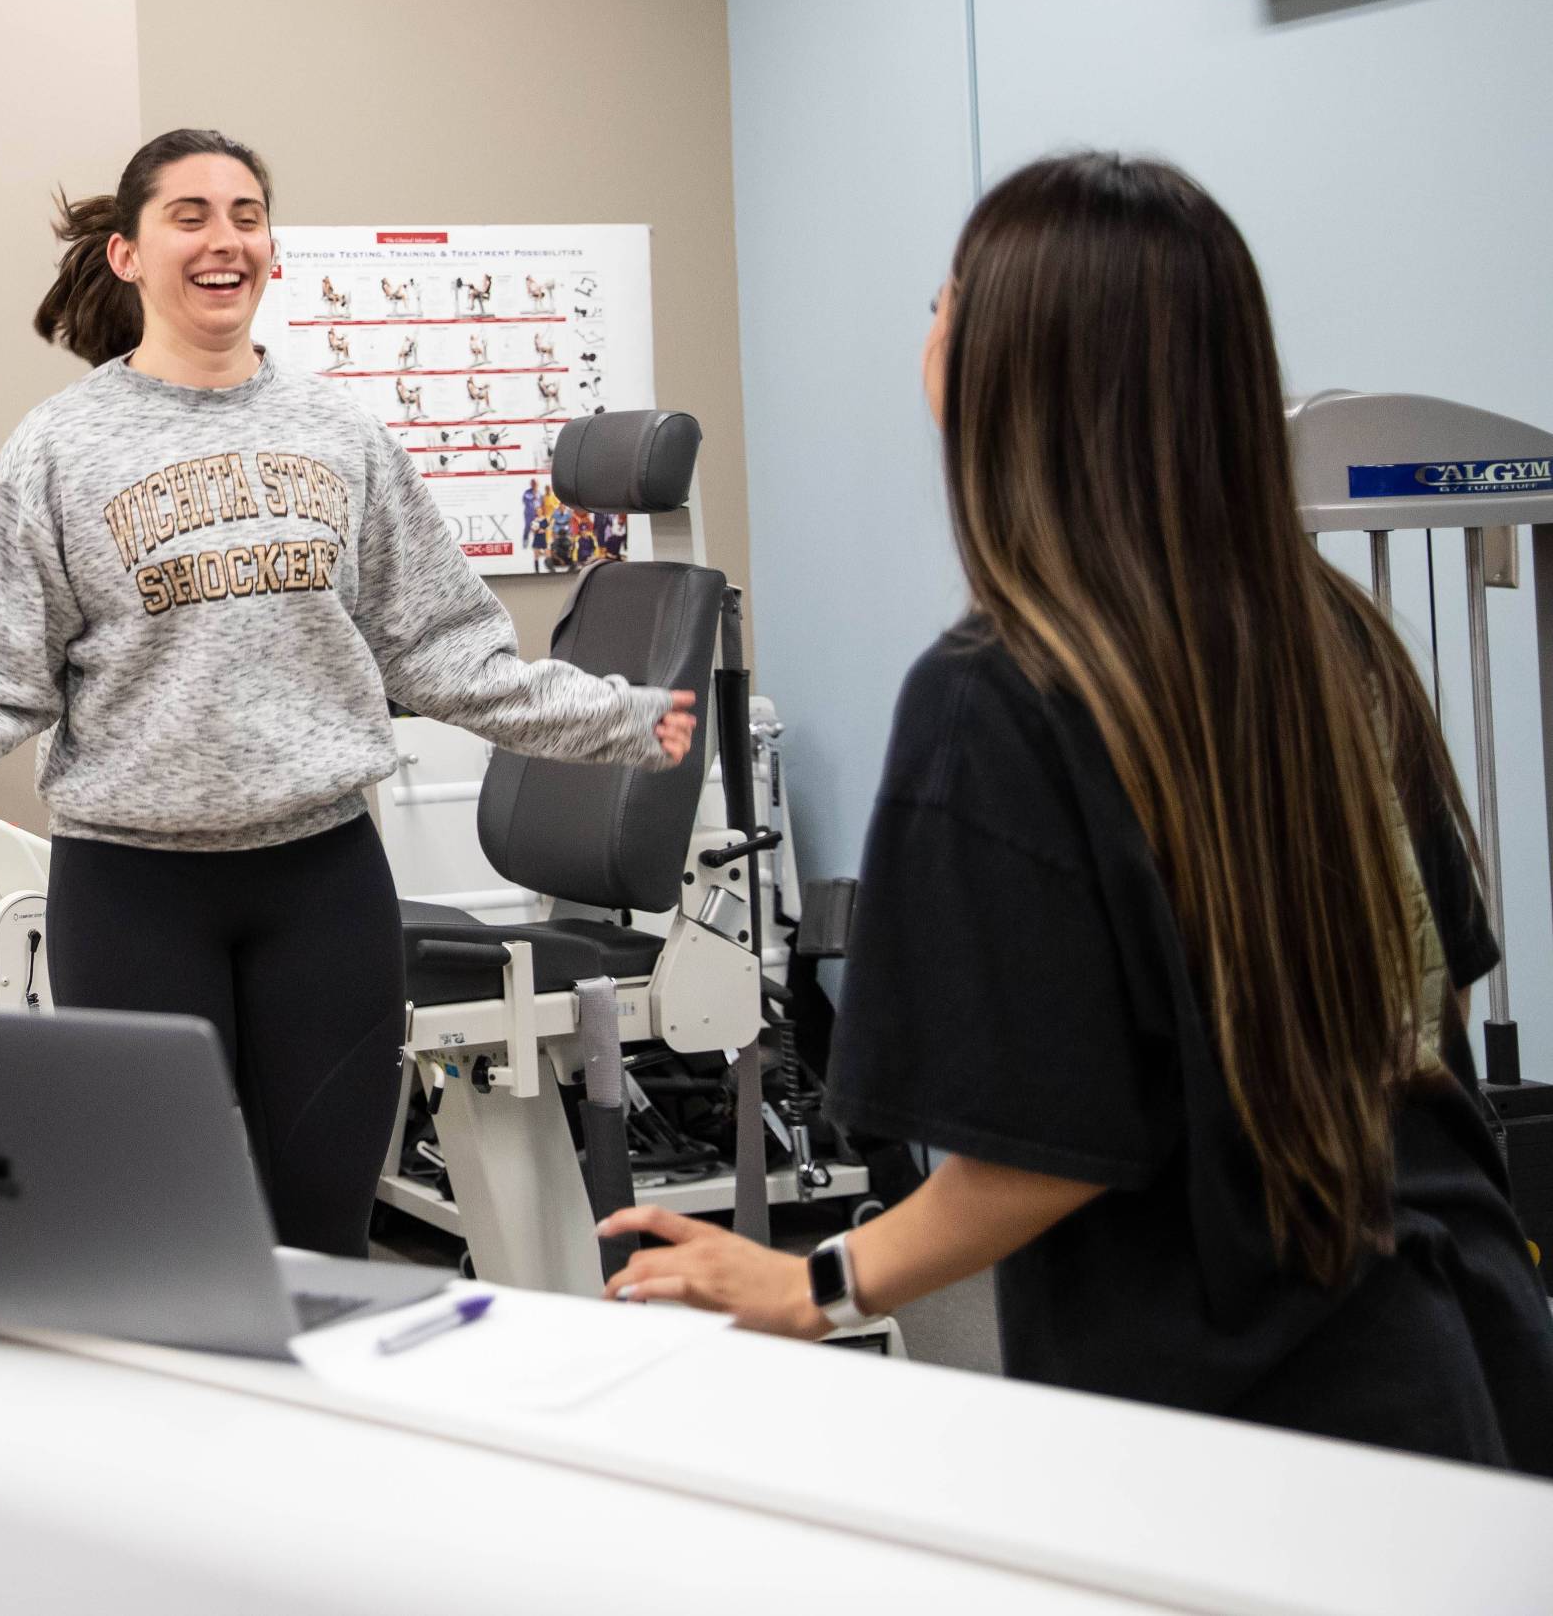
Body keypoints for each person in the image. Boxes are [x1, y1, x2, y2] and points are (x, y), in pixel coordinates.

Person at [598, 152, 1553, 1475]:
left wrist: (804, 1284)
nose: (924, 331)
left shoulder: (998, 692)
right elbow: (1422, 1001)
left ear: (1007, 371)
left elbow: (1039, 1154)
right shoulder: (1330, 631)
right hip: (1453, 1342)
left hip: (1234, 1410)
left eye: (943, 303)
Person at [0, 129, 693, 1258]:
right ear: (128, 254)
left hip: (321, 889)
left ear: (271, 252)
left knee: (322, 1237)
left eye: (246, 213)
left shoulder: (343, 436)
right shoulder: (57, 449)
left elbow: (446, 657)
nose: (223, 237)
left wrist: (621, 720)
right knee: (154, 1238)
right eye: (189, 215)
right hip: (132, 896)